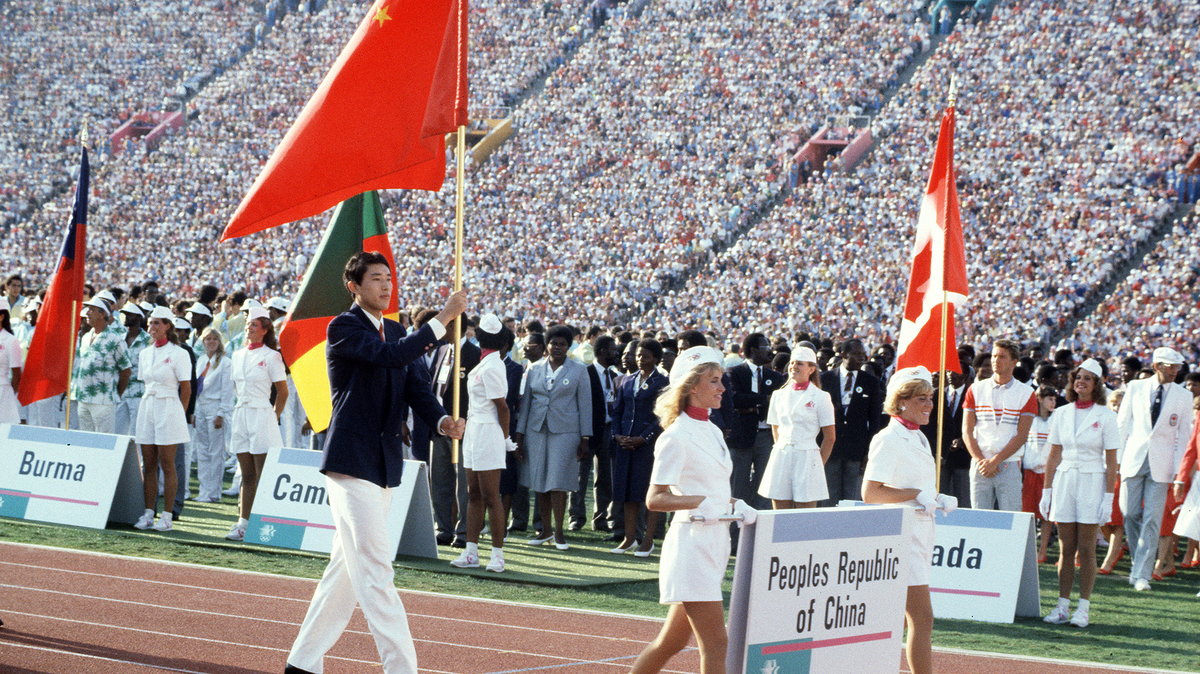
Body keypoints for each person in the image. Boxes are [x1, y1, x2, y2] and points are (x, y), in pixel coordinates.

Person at [286, 252, 466, 674]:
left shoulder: (398, 330)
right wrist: (441, 320)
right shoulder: (343, 327)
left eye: (389, 278)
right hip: (351, 463)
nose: (386, 286)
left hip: (384, 464)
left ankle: (302, 663)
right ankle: (401, 669)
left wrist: (441, 420)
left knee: (345, 575)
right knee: (376, 574)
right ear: (355, 286)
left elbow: (416, 388)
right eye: (376, 279)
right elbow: (391, 357)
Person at [630, 346, 757, 674]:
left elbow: (713, 489)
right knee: (717, 643)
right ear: (691, 387)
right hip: (691, 545)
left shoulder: (713, 430)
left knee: (671, 642)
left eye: (721, 380)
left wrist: (734, 504)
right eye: (714, 381)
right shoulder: (675, 436)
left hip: (714, 541)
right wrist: (703, 502)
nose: (722, 388)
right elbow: (656, 499)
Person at [862, 366, 957, 674]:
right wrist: (917, 494)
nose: (929, 405)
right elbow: (871, 492)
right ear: (901, 401)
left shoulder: (917, 437)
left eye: (930, 398)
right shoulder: (888, 437)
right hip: (898, 536)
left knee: (905, 617)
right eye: (921, 399)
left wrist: (935, 496)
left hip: (919, 533)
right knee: (922, 617)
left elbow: (915, 485)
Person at [1039, 359, 1119, 628]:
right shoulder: (1061, 413)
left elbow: (1111, 462)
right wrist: (1047, 491)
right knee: (1065, 548)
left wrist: (1108, 497)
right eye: (1078, 377)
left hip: (1092, 481)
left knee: (1086, 548)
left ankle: (1083, 607)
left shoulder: (1107, 416)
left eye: (1087, 378)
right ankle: (1062, 605)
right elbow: (1053, 455)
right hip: (1065, 481)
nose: (1080, 382)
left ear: (1096, 385)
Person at [1117, 346, 1192, 591]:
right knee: (1128, 513)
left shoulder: (1183, 396)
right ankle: (1139, 564)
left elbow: (1184, 435)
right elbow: (1123, 425)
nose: (1176, 371)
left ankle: (1141, 573)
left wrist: (1178, 471)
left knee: (1152, 519)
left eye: (1178, 367)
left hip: (1163, 465)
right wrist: (1117, 461)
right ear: (1158, 365)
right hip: (1133, 460)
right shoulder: (1135, 388)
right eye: (1172, 366)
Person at [516, 324, 592, 551]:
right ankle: (544, 530)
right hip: (536, 430)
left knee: (558, 482)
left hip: (566, 432)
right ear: (546, 345)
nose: (557, 347)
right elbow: (526, 404)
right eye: (553, 343)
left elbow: (585, 405)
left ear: (569, 347)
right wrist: (519, 436)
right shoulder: (534, 368)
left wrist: (585, 437)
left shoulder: (579, 370)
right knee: (539, 481)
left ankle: (559, 533)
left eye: (562, 344)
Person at [450, 314, 514, 573]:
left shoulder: (494, 366)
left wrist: (506, 439)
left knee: (491, 496)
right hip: (474, 430)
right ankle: (471, 552)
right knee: (473, 494)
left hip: (489, 431)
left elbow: (503, 408)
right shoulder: (483, 364)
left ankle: (497, 555)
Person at [225, 307, 288, 542]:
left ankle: (265, 524)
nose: (249, 328)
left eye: (254, 324)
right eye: (248, 324)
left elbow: (282, 391)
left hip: (262, 414)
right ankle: (243, 523)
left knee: (262, 473)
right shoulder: (238, 355)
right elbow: (235, 388)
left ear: (265, 329)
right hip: (241, 413)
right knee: (246, 473)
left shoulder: (272, 356)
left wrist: (274, 415)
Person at [132, 307, 193, 533]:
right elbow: (145, 382)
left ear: (168, 325)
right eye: (150, 323)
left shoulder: (180, 353)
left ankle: (167, 515)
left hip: (169, 407)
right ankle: (149, 512)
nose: (152, 328)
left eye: (157, 323)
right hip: (148, 406)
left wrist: (180, 413)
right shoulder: (145, 353)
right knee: (148, 464)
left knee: (167, 463)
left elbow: (186, 388)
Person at [609, 338, 669, 556]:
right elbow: (617, 411)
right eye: (638, 355)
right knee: (627, 491)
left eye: (645, 356)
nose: (640, 359)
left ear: (655, 358)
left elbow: (661, 416)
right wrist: (618, 435)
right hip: (625, 443)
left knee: (647, 491)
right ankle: (629, 538)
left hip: (647, 446)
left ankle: (648, 539)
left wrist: (644, 438)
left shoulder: (662, 382)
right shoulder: (626, 380)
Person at [962, 339, 1037, 511]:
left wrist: (996, 461)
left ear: (1013, 362)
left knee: (1010, 519)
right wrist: (981, 460)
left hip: (1008, 464)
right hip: (979, 463)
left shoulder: (1026, 393)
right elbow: (967, 430)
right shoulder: (975, 389)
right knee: (979, 520)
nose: (996, 360)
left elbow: (1022, 435)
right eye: (994, 356)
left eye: (1002, 357)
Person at [758, 346, 835, 508]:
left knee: (804, 519)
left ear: (811, 369)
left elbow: (830, 437)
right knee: (780, 516)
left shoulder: (821, 397)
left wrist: (817, 464)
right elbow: (776, 428)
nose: (794, 366)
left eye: (800, 363)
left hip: (808, 457)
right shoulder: (778, 395)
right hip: (782, 455)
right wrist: (785, 448)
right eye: (792, 363)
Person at [819, 338, 882, 507]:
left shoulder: (871, 382)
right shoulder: (825, 379)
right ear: (843, 354)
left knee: (852, 499)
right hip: (830, 449)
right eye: (856, 354)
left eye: (863, 355)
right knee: (828, 498)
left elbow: (874, 421)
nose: (861, 358)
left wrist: (869, 451)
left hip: (857, 451)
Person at [727, 332, 784, 509]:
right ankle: (735, 533)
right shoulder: (735, 373)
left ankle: (762, 531)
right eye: (766, 347)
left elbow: (778, 402)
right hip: (741, 437)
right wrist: (762, 399)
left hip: (766, 436)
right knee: (738, 486)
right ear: (753, 350)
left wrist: (752, 403)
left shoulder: (775, 377)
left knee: (765, 486)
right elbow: (735, 400)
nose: (770, 351)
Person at [571, 334, 620, 533]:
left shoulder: (615, 376)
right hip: (588, 431)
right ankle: (576, 517)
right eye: (612, 350)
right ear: (601, 351)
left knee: (605, 478)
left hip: (608, 431)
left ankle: (600, 519)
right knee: (580, 477)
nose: (616, 353)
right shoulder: (586, 373)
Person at [70, 297, 132, 433]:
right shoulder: (86, 337)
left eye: (92, 310)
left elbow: (126, 371)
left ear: (102, 314)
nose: (87, 313)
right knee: (85, 441)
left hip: (103, 402)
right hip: (83, 399)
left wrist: (115, 393)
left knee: (104, 442)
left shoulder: (115, 339)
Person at [192, 327, 233, 503]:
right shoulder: (201, 360)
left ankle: (213, 492)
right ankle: (203, 490)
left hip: (216, 408)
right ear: (203, 342)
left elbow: (227, 390)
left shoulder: (225, 362)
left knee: (216, 452)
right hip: (201, 407)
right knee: (202, 451)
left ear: (219, 342)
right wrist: (193, 411)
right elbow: (195, 389)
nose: (211, 342)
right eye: (208, 339)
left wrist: (221, 413)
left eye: (214, 339)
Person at [1023, 385, 1057, 563]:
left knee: (1046, 515)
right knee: (1028, 513)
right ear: (1040, 399)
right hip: (1030, 471)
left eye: (1054, 399)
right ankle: (1027, 549)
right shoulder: (1031, 420)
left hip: (1047, 472)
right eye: (1049, 398)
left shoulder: (1056, 420)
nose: (1053, 402)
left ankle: (1042, 551)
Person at [0, 298, 21, 424]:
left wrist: (11, 393)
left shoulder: (10, 340)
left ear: (1, 317)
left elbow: (16, 373)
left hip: (3, 391)